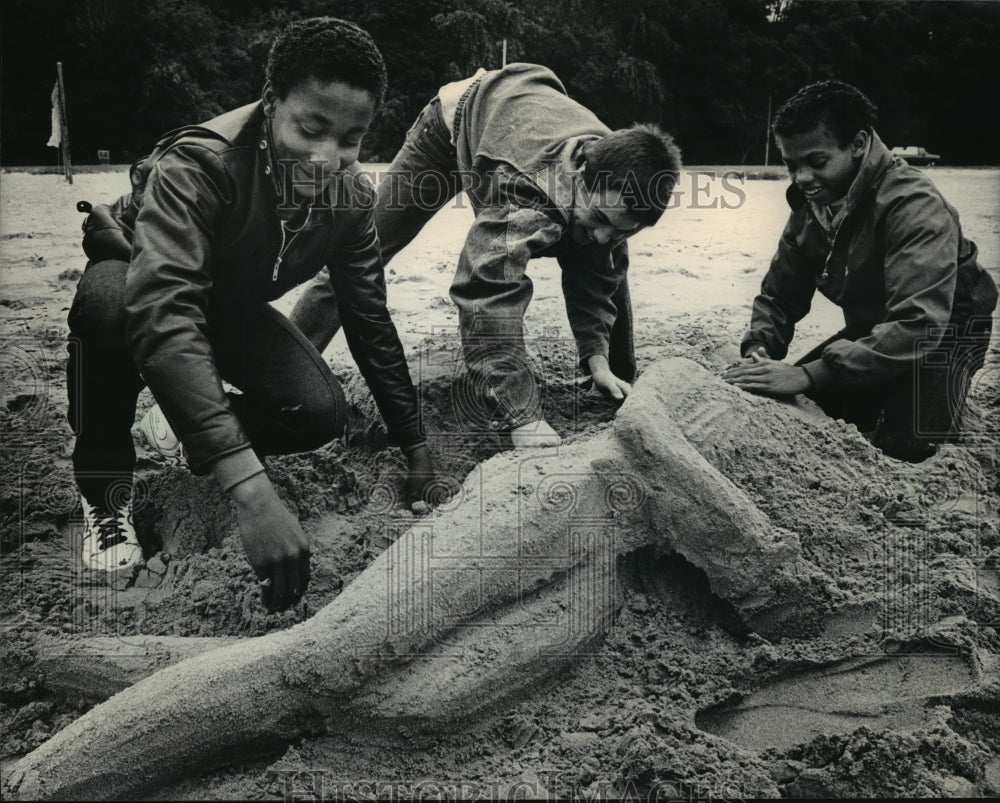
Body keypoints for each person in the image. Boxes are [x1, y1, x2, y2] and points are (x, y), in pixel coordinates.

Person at [67, 17, 436, 610]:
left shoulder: (352, 198)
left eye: (350, 139)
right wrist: (251, 492)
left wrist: (413, 442)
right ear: (270, 103)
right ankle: (103, 495)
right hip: (143, 276)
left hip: (227, 301)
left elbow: (368, 317)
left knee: (317, 410)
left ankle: (182, 423)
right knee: (109, 309)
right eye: (311, 128)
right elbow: (163, 309)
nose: (327, 158)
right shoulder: (198, 164)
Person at [289, 63, 682, 447]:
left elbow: (600, 270)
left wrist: (599, 361)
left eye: (621, 228)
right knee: (357, 255)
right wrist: (523, 417)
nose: (603, 235)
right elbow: (485, 292)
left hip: (519, 116)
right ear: (580, 171)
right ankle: (287, 372)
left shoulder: (619, 177)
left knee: (601, 251)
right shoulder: (526, 196)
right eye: (598, 217)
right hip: (452, 123)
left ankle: (616, 376)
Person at [724, 80, 997, 461]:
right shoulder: (812, 202)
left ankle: (938, 400)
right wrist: (760, 347)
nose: (801, 178)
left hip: (946, 329)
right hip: (874, 327)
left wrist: (809, 374)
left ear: (857, 144)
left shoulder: (914, 204)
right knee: (791, 406)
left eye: (816, 162)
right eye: (791, 165)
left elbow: (920, 324)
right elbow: (780, 294)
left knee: (909, 449)